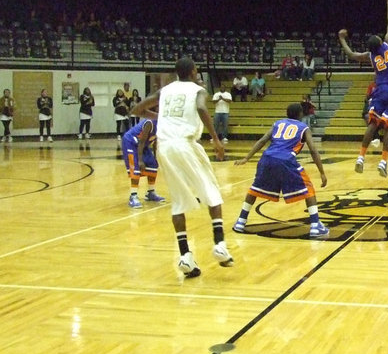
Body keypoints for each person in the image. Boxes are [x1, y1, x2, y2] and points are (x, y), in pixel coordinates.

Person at [131, 57, 233, 278]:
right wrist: (215, 139)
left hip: (165, 147)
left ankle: (186, 256)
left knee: (178, 201)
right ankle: (219, 244)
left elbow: (136, 109)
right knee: (211, 192)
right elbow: (201, 108)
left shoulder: (165, 91)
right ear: (194, 71)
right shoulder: (198, 90)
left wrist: (161, 117)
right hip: (185, 143)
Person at [232, 103, 328, 236]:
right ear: (301, 114)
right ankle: (315, 225)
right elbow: (313, 149)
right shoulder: (304, 128)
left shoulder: (277, 124)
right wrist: (322, 172)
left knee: (254, 189)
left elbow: (262, 141)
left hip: (267, 158)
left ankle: (240, 221)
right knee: (308, 189)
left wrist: (246, 158)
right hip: (286, 160)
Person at [338, 0, 388, 177]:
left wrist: (342, 38)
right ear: (381, 41)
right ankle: (383, 161)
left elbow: (351, 55)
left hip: (381, 90)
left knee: (373, 124)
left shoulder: (369, 56)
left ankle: (361, 157)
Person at [122, 118, 165, 208]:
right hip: (131, 142)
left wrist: (156, 158)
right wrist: (140, 160)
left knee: (153, 165)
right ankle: (133, 196)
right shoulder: (150, 123)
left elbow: (155, 143)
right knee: (136, 167)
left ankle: (151, 193)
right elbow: (141, 142)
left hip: (142, 144)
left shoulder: (164, 126)